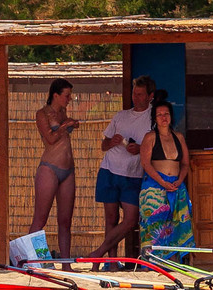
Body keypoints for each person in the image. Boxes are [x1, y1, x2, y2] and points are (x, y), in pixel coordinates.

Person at [90, 75, 153, 257]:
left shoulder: (153, 119)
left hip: (133, 174)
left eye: (141, 94)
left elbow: (158, 146)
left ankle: (98, 252)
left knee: (131, 219)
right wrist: (112, 142)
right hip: (109, 170)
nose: (136, 97)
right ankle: (111, 262)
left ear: (150, 96)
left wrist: (141, 148)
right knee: (111, 219)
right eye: (134, 93)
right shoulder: (121, 115)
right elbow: (103, 145)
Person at [139, 93, 194, 255]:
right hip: (155, 188)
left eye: (166, 114)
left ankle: (175, 261)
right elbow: (145, 164)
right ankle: (152, 264)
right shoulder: (150, 137)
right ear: (155, 118)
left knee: (178, 225)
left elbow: (185, 163)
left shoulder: (179, 137)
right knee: (155, 227)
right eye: (160, 115)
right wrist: (162, 183)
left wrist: (179, 180)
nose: (163, 117)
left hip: (176, 186)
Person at [31, 77, 79, 257]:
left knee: (65, 221)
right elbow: (50, 138)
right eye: (66, 95)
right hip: (50, 168)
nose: (69, 99)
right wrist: (66, 126)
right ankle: (32, 259)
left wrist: (69, 123)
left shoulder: (64, 112)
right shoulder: (42, 114)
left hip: (68, 169)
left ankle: (66, 262)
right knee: (40, 218)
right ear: (56, 95)